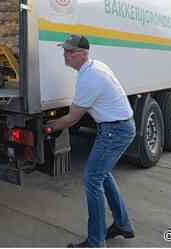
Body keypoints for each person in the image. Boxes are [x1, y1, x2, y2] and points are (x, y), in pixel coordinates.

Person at [45, 34, 136, 248]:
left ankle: (96, 242)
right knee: (101, 175)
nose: (65, 55)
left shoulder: (90, 78)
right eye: (64, 51)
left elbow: (72, 118)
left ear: (84, 54)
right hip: (116, 128)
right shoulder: (94, 68)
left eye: (70, 52)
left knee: (91, 180)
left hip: (116, 131)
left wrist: (48, 127)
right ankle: (123, 224)